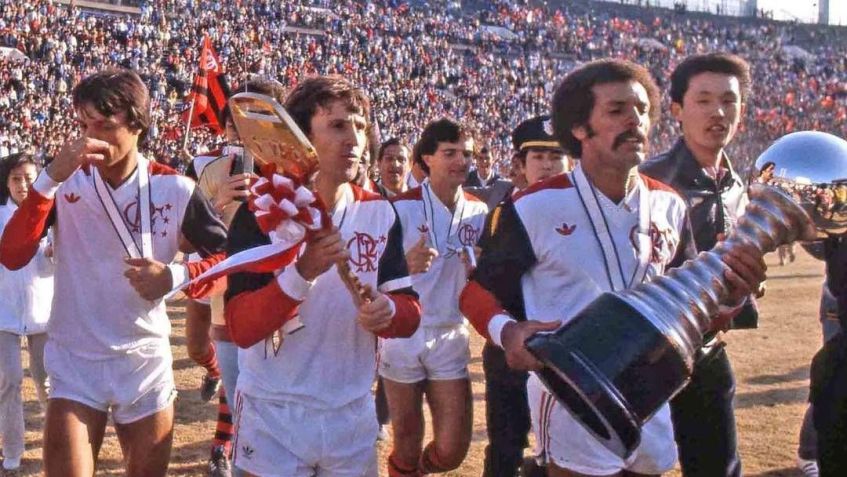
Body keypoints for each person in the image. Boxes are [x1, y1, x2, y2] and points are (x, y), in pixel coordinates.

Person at [459, 58, 765, 477]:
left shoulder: (670, 204)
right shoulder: (534, 206)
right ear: (578, 127)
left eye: (642, 110)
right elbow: (476, 292)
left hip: (650, 391)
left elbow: (687, 310)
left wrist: (729, 298)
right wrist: (508, 332)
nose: (635, 121)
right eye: (617, 110)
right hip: (570, 389)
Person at [0, 69, 228, 477]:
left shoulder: (176, 188)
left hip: (143, 361)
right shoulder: (64, 184)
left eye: (104, 125)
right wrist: (48, 178)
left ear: (137, 123)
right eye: (84, 125)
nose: (91, 138)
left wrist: (174, 277)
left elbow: (229, 262)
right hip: (75, 361)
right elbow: (12, 254)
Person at [224, 75, 422, 477]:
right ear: (301, 137)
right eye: (337, 125)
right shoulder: (262, 210)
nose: (355, 139)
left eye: (360, 126)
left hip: (351, 413)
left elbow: (410, 311)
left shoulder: (380, 212)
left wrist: (388, 310)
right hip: (273, 412)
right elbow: (241, 328)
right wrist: (303, 272)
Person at [640, 52, 758, 477]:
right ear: (677, 110)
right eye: (704, 100)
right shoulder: (648, 182)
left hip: (705, 353)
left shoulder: (737, 184)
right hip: (645, 357)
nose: (718, 112)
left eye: (729, 101)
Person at [381, 118, 488, 476]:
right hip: (403, 333)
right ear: (427, 158)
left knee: (452, 450)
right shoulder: (399, 208)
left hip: (450, 331)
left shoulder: (479, 211)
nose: (461, 161)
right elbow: (369, 274)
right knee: (406, 443)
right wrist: (403, 265)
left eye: (466, 154)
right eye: (450, 153)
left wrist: (481, 269)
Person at [478, 114, 568, 477]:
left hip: (566, 349)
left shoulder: (587, 215)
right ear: (520, 163)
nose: (547, 165)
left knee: (564, 451)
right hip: (511, 344)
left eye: (556, 156)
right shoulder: (505, 215)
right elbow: (487, 284)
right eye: (538, 157)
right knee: (506, 446)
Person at [0, 153, 52, 475]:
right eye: (16, 179)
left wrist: (52, 253)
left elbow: (54, 265)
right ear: (7, 182)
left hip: (42, 311)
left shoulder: (51, 214)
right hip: (3, 313)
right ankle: (13, 450)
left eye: (29, 178)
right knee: (9, 381)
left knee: (46, 382)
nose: (23, 185)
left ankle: (56, 442)